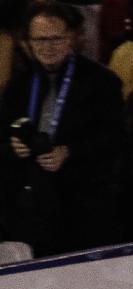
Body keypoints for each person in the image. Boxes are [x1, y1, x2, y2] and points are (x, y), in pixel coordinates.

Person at [0, 0, 125, 257]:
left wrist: (70, 152)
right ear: (28, 42)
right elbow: (3, 139)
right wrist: (13, 147)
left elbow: (116, 139)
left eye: (56, 38)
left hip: (84, 208)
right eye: (40, 40)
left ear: (73, 38)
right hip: (34, 212)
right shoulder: (18, 86)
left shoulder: (102, 82)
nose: (48, 47)